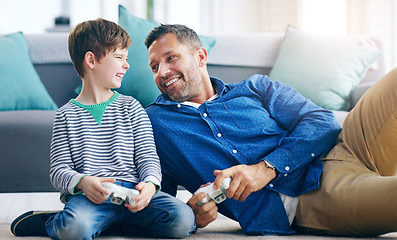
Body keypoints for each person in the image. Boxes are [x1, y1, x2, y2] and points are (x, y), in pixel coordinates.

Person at [144, 24, 397, 237]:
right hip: (311, 195)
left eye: (171, 58)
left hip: (348, 144)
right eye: (154, 66)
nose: (162, 72)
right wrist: (191, 215)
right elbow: (155, 198)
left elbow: (321, 121)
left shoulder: (255, 87)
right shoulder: (155, 123)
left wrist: (267, 168)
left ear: (200, 57)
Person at [10, 19, 195, 239]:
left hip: (133, 196)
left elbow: (148, 157)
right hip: (90, 199)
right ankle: (54, 222)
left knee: (183, 219)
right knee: (74, 229)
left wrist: (150, 184)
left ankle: (101, 226)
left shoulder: (132, 108)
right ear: (91, 60)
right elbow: (58, 171)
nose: (126, 65)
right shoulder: (65, 115)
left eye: (126, 59)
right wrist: (83, 182)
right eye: (119, 58)